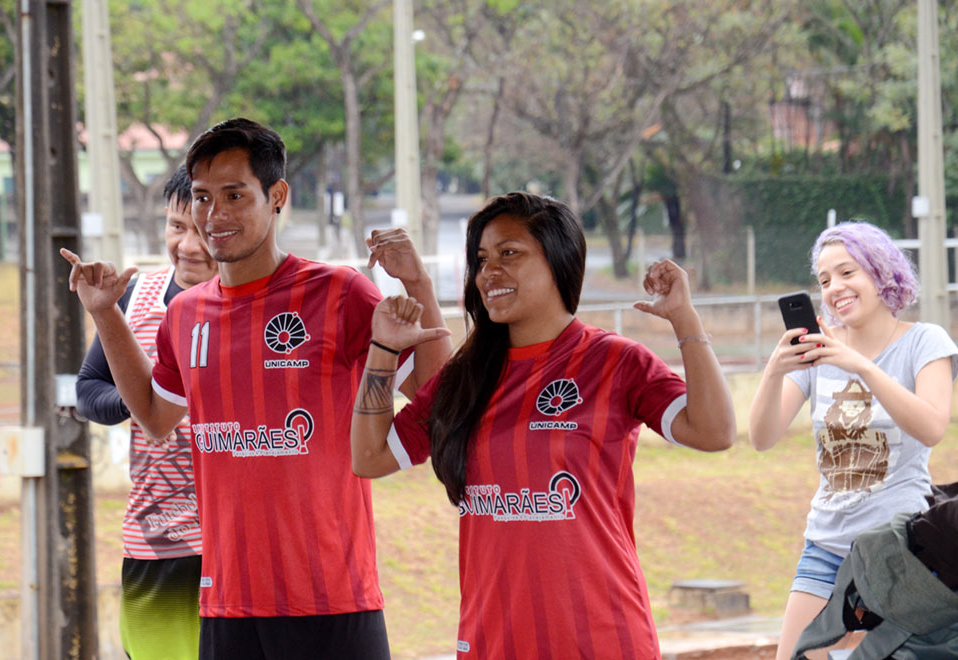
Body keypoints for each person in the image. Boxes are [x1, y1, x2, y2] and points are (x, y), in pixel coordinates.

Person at [62, 118, 452, 659]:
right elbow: (153, 416)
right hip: (226, 605)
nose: (213, 215)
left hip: (331, 601)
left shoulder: (338, 293)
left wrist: (418, 285)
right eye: (202, 197)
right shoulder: (186, 313)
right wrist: (106, 314)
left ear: (277, 197)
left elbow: (440, 393)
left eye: (234, 195)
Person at [350, 192, 735, 659]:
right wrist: (383, 352)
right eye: (482, 259)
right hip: (494, 643)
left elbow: (714, 431)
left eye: (509, 254)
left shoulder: (615, 361)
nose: (490, 272)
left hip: (603, 642)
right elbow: (369, 458)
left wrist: (684, 318)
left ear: (559, 260)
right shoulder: (466, 378)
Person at [748, 221, 958, 660]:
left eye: (847, 272)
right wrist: (775, 369)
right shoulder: (818, 352)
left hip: (893, 551)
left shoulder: (925, 341)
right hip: (825, 545)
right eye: (824, 279)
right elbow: (762, 438)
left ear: (881, 272)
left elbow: (933, 425)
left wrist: (861, 366)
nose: (833, 287)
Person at [75, 165, 215, 660]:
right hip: (158, 539)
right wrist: (145, 403)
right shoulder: (135, 297)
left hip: (239, 542)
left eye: (201, 230)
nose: (189, 245)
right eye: (177, 227)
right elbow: (89, 389)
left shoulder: (256, 308)